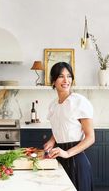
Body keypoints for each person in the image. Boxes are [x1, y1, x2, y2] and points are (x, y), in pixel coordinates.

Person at [44, 62, 95, 191]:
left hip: (76, 161)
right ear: (53, 80)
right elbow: (61, 126)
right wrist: (52, 140)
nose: (66, 80)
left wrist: (67, 153)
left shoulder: (79, 102)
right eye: (61, 76)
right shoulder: (53, 105)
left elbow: (90, 138)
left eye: (69, 76)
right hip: (59, 158)